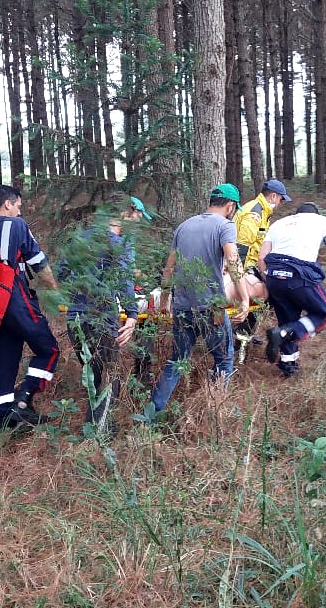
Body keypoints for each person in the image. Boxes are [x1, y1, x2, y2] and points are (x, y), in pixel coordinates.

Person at [147, 183, 250, 418]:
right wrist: (244, 299)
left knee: (176, 361)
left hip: (182, 307)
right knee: (224, 360)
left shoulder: (184, 226)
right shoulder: (225, 226)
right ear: (230, 206)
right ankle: (214, 414)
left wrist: (164, 302)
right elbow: (233, 261)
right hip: (211, 308)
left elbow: (168, 269)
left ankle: (150, 417)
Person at [0, 185, 60, 429]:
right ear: (8, 204)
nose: (19, 211)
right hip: (12, 297)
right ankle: (24, 398)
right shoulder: (17, 225)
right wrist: (56, 292)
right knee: (48, 349)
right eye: (18, 205)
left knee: (3, 360)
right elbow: (38, 262)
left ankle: (5, 418)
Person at [63, 201, 151, 428]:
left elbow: (61, 274)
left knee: (92, 374)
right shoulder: (114, 244)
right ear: (126, 214)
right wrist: (132, 315)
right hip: (100, 319)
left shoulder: (80, 239)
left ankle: (93, 428)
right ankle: (99, 435)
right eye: (137, 220)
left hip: (75, 318)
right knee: (109, 377)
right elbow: (124, 280)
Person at [258, 201, 326, 379]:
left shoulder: (278, 223)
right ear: (314, 213)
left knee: (287, 319)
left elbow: (262, 257)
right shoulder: (322, 221)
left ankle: (288, 365)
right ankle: (284, 333)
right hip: (300, 275)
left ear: (297, 214)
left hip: (274, 275)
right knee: (324, 316)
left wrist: (269, 280)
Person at [234, 179, 292, 270]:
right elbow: (242, 246)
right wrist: (240, 274)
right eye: (281, 200)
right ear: (273, 196)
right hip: (244, 266)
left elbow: (258, 239)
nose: (280, 204)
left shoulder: (263, 212)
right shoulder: (255, 213)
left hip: (251, 264)